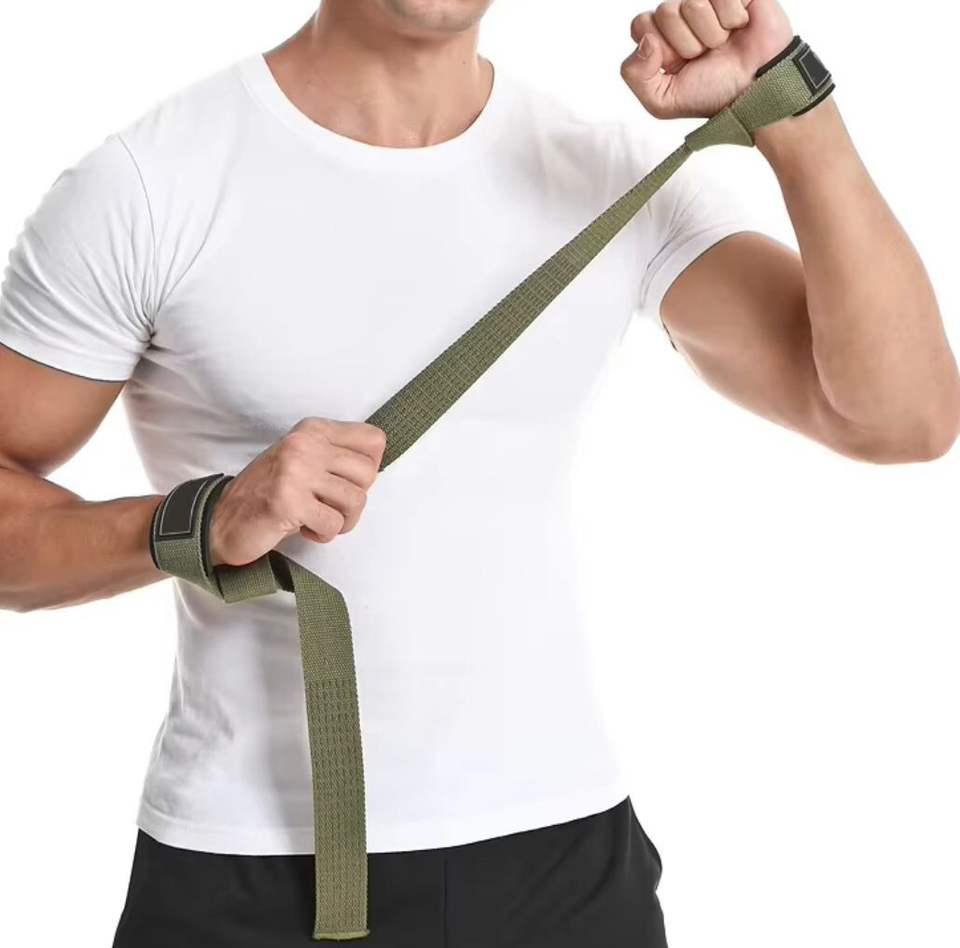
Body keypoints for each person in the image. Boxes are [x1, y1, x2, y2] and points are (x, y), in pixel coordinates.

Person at [1, 1, 957, 945]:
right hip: (251, 869)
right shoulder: (150, 184)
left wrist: (791, 111)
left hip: (563, 864)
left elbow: (901, 417)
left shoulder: (603, 171)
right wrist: (198, 522)